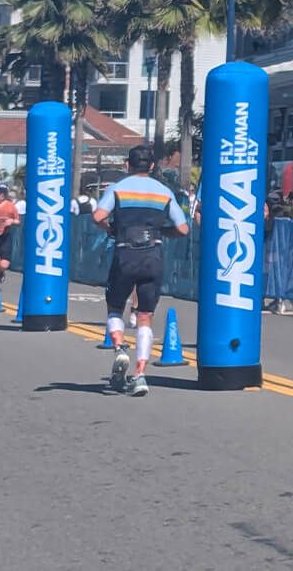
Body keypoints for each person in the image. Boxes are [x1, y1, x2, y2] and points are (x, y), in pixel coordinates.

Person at [92, 145, 189, 397]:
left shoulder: (118, 188)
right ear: (153, 166)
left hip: (125, 253)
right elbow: (183, 228)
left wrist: (110, 229)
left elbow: (97, 215)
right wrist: (162, 232)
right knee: (145, 315)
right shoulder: (164, 192)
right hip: (153, 256)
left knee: (115, 306)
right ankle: (140, 374)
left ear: (127, 165)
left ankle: (120, 348)